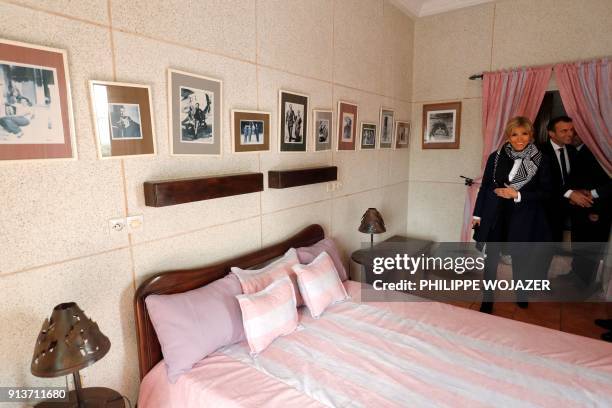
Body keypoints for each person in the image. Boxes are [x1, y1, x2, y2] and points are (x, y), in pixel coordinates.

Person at [473, 116, 553, 313]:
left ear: (531, 135)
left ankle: (521, 294)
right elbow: (485, 187)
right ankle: (487, 298)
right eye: (514, 134)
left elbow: (548, 193)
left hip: (523, 216)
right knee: (491, 258)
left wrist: (517, 194)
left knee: (521, 257)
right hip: (495, 215)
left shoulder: (540, 159)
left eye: (524, 134)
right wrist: (477, 214)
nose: (519, 139)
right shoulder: (496, 156)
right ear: (508, 136)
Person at [567, 133, 611, 286]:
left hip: (595, 207)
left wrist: (595, 207)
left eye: (575, 132)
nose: (571, 135)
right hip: (578, 206)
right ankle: (575, 272)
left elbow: (605, 182)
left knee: (591, 244)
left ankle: (585, 279)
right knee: (578, 241)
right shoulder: (572, 150)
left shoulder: (598, 151)